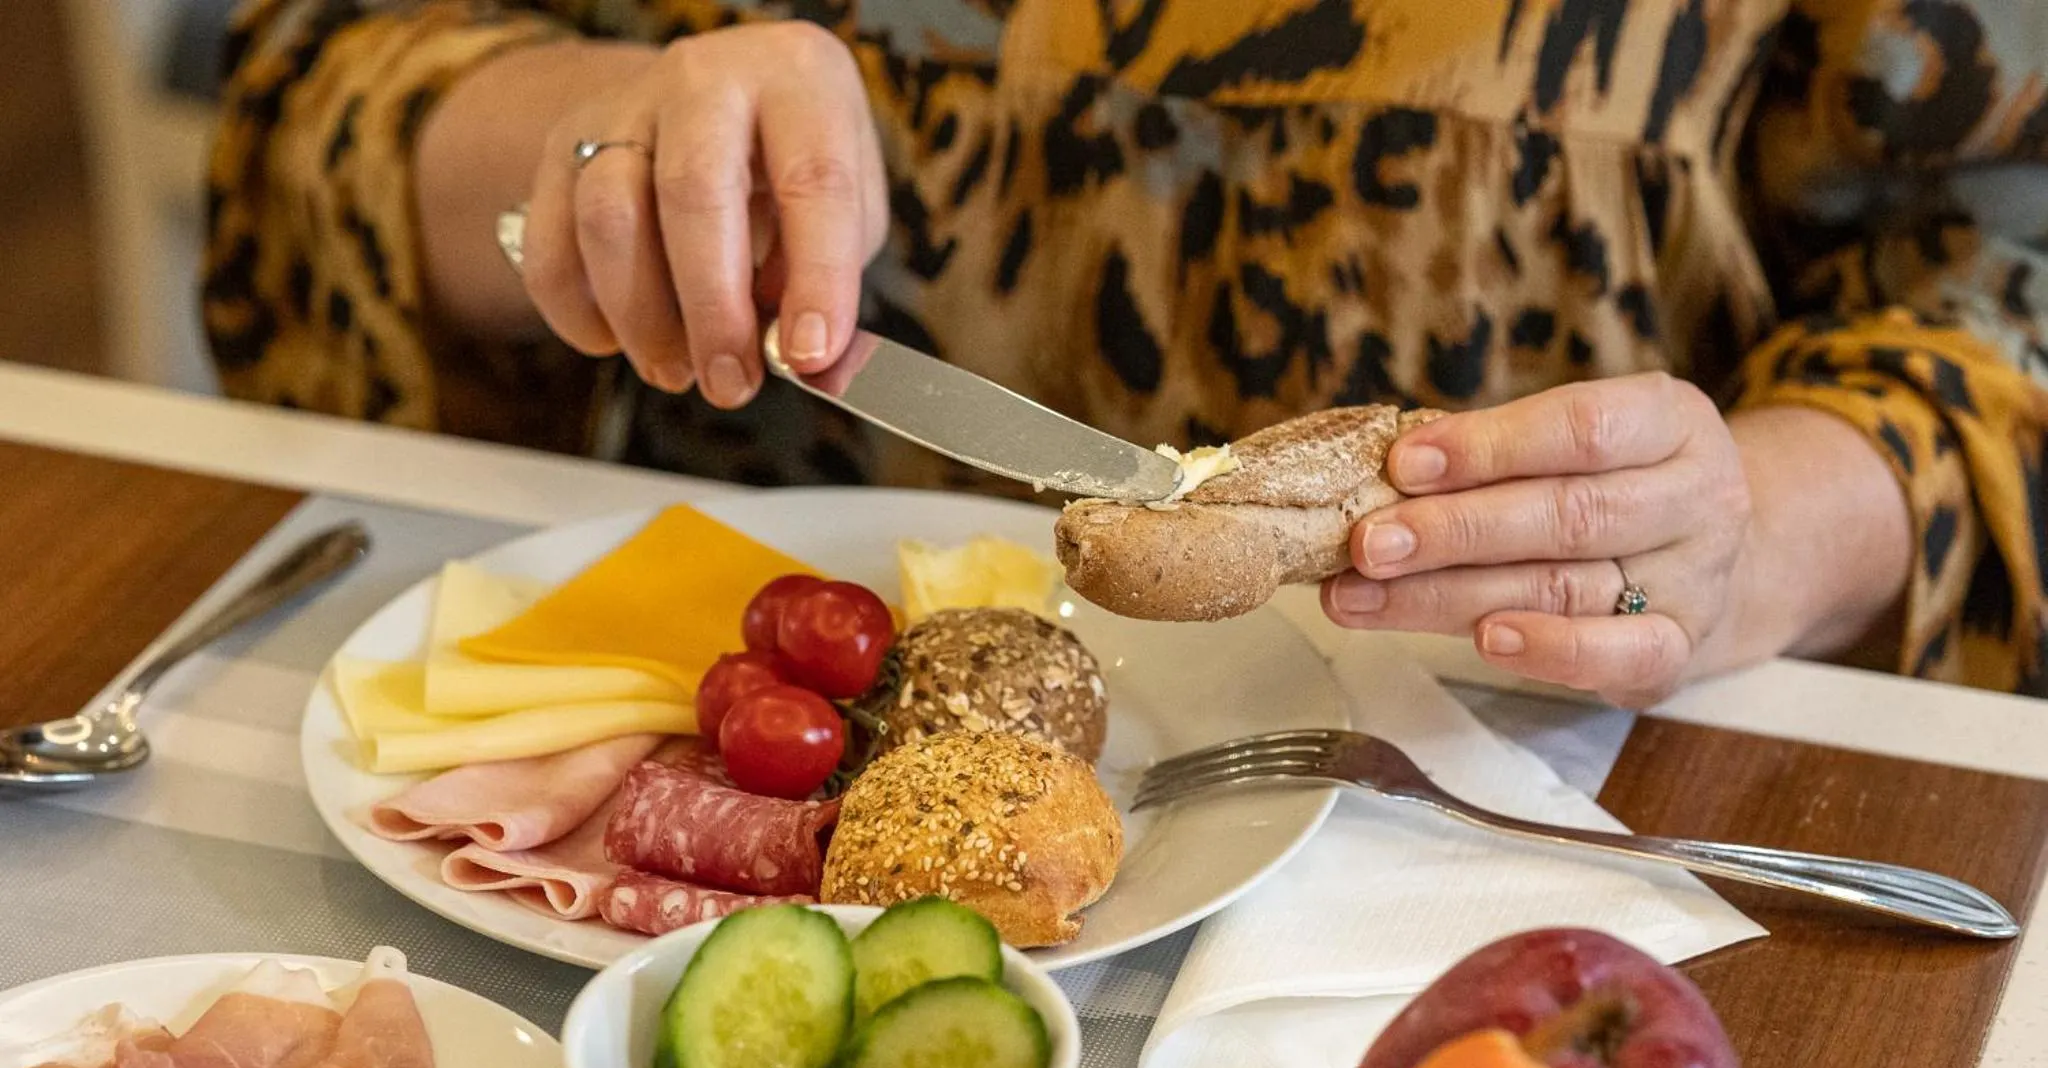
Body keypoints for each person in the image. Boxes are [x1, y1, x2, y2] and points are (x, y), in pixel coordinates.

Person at [204, 1, 2048, 709]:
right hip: (715, 762)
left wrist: (1753, 535)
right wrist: (610, 145)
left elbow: (1999, 296)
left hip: (1511, 802)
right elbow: (323, 97)